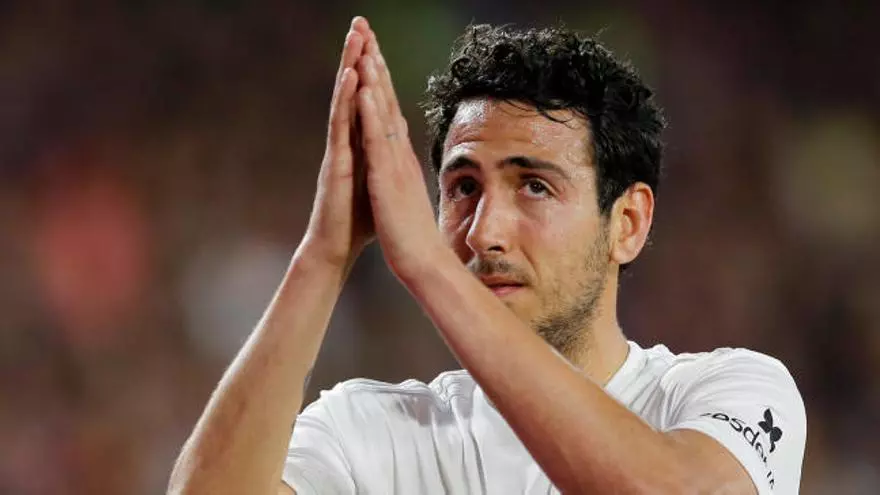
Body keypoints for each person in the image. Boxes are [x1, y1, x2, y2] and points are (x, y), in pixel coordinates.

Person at [168, 16, 806, 495]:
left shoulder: (727, 394)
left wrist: (429, 266)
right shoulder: (371, 432)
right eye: (463, 188)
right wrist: (324, 254)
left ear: (628, 223)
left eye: (535, 186)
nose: (483, 232)